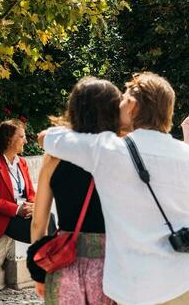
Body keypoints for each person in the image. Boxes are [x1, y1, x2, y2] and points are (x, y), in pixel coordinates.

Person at [43, 73, 189, 304]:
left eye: (123, 99)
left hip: (133, 289)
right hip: (187, 282)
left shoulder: (108, 152)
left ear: (132, 106)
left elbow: (49, 138)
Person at [29, 77, 116, 305]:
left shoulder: (54, 156)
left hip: (63, 260)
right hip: (112, 264)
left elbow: (39, 223)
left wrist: (39, 272)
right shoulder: (118, 154)